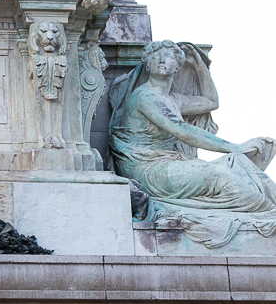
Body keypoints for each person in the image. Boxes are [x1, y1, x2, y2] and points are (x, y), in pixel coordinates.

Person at [110, 39, 276, 248]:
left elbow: (211, 102)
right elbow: (182, 130)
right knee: (219, 174)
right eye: (155, 56)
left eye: (169, 56)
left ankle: (265, 208)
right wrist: (235, 146)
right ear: (147, 63)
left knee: (239, 165)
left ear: (178, 66)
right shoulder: (144, 96)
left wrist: (200, 67)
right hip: (148, 169)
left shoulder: (173, 99)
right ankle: (263, 211)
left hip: (168, 164)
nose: (161, 60)